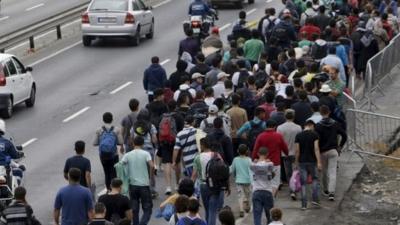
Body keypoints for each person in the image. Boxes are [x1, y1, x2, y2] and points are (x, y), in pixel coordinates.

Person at [192, 137, 228, 225]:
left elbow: (194, 175)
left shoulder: (197, 158)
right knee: (213, 211)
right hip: (215, 186)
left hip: (203, 185)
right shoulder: (216, 155)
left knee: (207, 210)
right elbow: (224, 170)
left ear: (203, 146)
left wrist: (190, 188)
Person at [315, 105, 347, 201]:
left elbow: (316, 140)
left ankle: (325, 190)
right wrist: (340, 146)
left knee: (324, 172)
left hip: (322, 151)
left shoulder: (318, 126)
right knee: (332, 172)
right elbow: (344, 135)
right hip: (333, 150)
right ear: (329, 112)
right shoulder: (335, 124)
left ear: (320, 113)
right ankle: (332, 192)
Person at [121, 136, 154, 225]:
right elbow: (152, 165)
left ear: (133, 143)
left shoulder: (127, 155)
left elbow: (121, 165)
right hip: (144, 185)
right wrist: (150, 177)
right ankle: (142, 223)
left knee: (134, 209)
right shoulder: (145, 153)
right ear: (142, 144)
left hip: (132, 185)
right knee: (147, 208)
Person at [253, 119, 288, 194]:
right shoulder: (278, 136)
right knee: (275, 184)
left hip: (263, 163)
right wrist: (287, 153)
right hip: (275, 163)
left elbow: (255, 149)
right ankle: (271, 200)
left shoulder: (261, 136)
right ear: (275, 127)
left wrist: (254, 158)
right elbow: (284, 148)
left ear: (266, 126)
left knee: (264, 183)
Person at [295, 120, 322, 209]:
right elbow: (316, 149)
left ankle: (304, 205)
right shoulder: (315, 135)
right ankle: (315, 199)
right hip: (313, 161)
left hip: (302, 162)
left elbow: (297, 151)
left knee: (303, 183)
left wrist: (296, 162)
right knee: (315, 179)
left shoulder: (298, 135)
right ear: (310, 125)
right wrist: (319, 162)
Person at [94, 112, 123, 191]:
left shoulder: (99, 130)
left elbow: (95, 143)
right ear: (112, 119)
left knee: (106, 172)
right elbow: (120, 142)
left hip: (103, 155)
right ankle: (115, 188)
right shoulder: (116, 129)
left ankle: (108, 189)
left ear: (103, 120)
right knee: (113, 172)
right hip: (114, 155)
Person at [276, 109, 301, 199]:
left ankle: (292, 190)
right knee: (295, 171)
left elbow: (278, 141)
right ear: (293, 116)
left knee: (288, 173)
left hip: (285, 153)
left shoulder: (280, 128)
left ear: (285, 116)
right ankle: (294, 189)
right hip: (295, 152)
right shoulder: (298, 127)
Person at [251, 147, 275, 225]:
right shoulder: (270, 164)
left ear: (258, 154)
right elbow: (272, 175)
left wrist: (256, 161)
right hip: (267, 191)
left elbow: (251, 166)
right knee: (270, 216)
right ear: (267, 154)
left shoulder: (253, 165)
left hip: (256, 191)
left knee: (257, 215)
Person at [173, 116, 199, 183]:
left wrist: (174, 162)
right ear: (193, 122)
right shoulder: (197, 132)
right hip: (198, 160)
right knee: (198, 181)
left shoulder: (179, 134)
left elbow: (176, 149)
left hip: (188, 161)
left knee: (192, 180)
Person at [230, 144, 252, 217]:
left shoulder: (235, 159)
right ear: (247, 151)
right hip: (247, 181)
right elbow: (251, 170)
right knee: (247, 194)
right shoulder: (249, 160)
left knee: (240, 196)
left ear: (237, 151)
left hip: (239, 180)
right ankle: (247, 205)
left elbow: (232, 169)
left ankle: (241, 210)